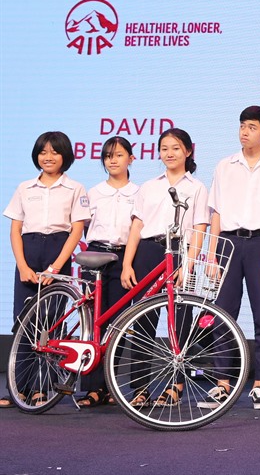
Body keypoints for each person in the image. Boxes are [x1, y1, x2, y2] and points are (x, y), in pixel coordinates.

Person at [204, 106, 260, 410]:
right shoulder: (224, 165)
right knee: (223, 315)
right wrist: (212, 255)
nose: (244, 132)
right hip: (228, 243)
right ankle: (222, 383)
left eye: (252, 127)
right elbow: (216, 213)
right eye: (242, 126)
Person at [121, 128, 209, 408]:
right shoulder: (148, 186)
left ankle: (175, 385)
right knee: (142, 321)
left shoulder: (196, 187)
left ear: (188, 151)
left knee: (179, 320)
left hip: (180, 252)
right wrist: (127, 263)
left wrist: (189, 265)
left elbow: (200, 230)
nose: (169, 153)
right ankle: (140, 387)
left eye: (175, 148)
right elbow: (137, 226)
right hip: (148, 251)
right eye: (164, 148)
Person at [2, 131, 89, 408]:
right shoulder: (25, 187)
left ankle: (42, 388)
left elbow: (76, 230)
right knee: (23, 321)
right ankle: (18, 388)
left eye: (54, 152)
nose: (48, 157)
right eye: (42, 152)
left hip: (57, 250)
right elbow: (15, 230)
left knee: (51, 322)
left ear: (65, 156)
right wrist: (22, 265)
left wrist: (55, 267)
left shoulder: (75, 188)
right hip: (28, 252)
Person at [77, 136, 138, 407]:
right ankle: (92, 388)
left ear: (131, 159)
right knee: (93, 322)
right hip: (94, 256)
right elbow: (81, 227)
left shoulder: (139, 193)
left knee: (118, 323)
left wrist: (128, 262)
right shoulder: (93, 192)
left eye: (119, 155)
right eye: (108, 156)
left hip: (124, 258)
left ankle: (111, 386)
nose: (112, 160)